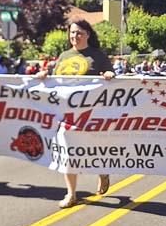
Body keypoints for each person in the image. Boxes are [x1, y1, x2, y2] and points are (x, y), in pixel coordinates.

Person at [36, 18, 115, 208]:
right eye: (72, 32)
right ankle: (71, 194)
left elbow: (112, 79)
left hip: (91, 112)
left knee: (93, 147)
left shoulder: (97, 55)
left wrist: (108, 75)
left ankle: (102, 171)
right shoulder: (63, 56)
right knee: (67, 150)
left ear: (88, 35)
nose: (75, 36)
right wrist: (44, 75)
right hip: (66, 112)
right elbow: (54, 79)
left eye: (79, 32)